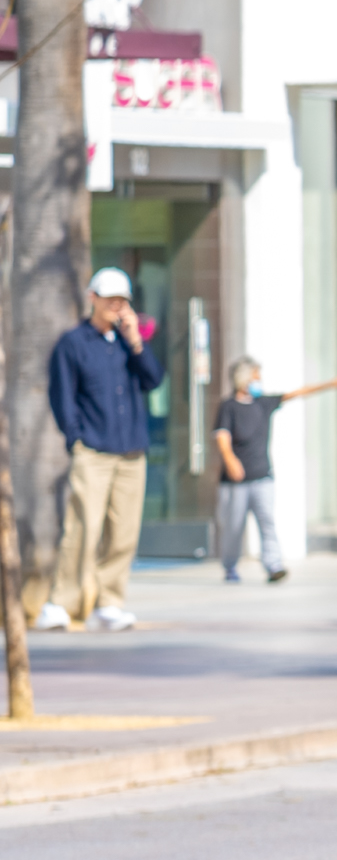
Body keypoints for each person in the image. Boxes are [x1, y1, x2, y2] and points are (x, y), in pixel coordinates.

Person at [40, 268, 161, 632]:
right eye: (110, 299)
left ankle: (110, 602)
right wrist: (76, 438)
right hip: (93, 449)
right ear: (92, 298)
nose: (116, 306)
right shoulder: (73, 343)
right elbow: (62, 397)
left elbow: (153, 379)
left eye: (122, 300)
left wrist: (136, 342)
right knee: (83, 526)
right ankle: (62, 602)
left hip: (131, 450)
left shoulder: (129, 342)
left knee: (123, 531)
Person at [209, 356, 337, 585]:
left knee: (267, 521)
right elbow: (222, 436)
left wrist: (331, 384)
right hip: (235, 482)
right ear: (244, 379)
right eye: (256, 377)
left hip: (263, 476)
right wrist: (230, 461)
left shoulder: (263, 404)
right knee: (233, 526)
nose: (259, 381)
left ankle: (273, 565)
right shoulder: (228, 406)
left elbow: (298, 392)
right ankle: (230, 566)